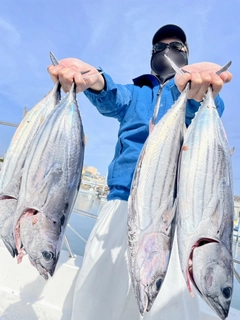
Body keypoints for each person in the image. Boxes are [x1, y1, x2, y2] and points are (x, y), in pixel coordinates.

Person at [48, 24, 232, 320]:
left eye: (175, 46)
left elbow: (206, 111)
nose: (166, 51)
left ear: (186, 54)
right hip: (121, 201)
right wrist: (94, 79)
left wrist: (198, 94)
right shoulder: (136, 93)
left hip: (170, 211)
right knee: (97, 290)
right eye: (158, 47)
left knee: (166, 301)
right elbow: (110, 96)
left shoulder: (189, 93)